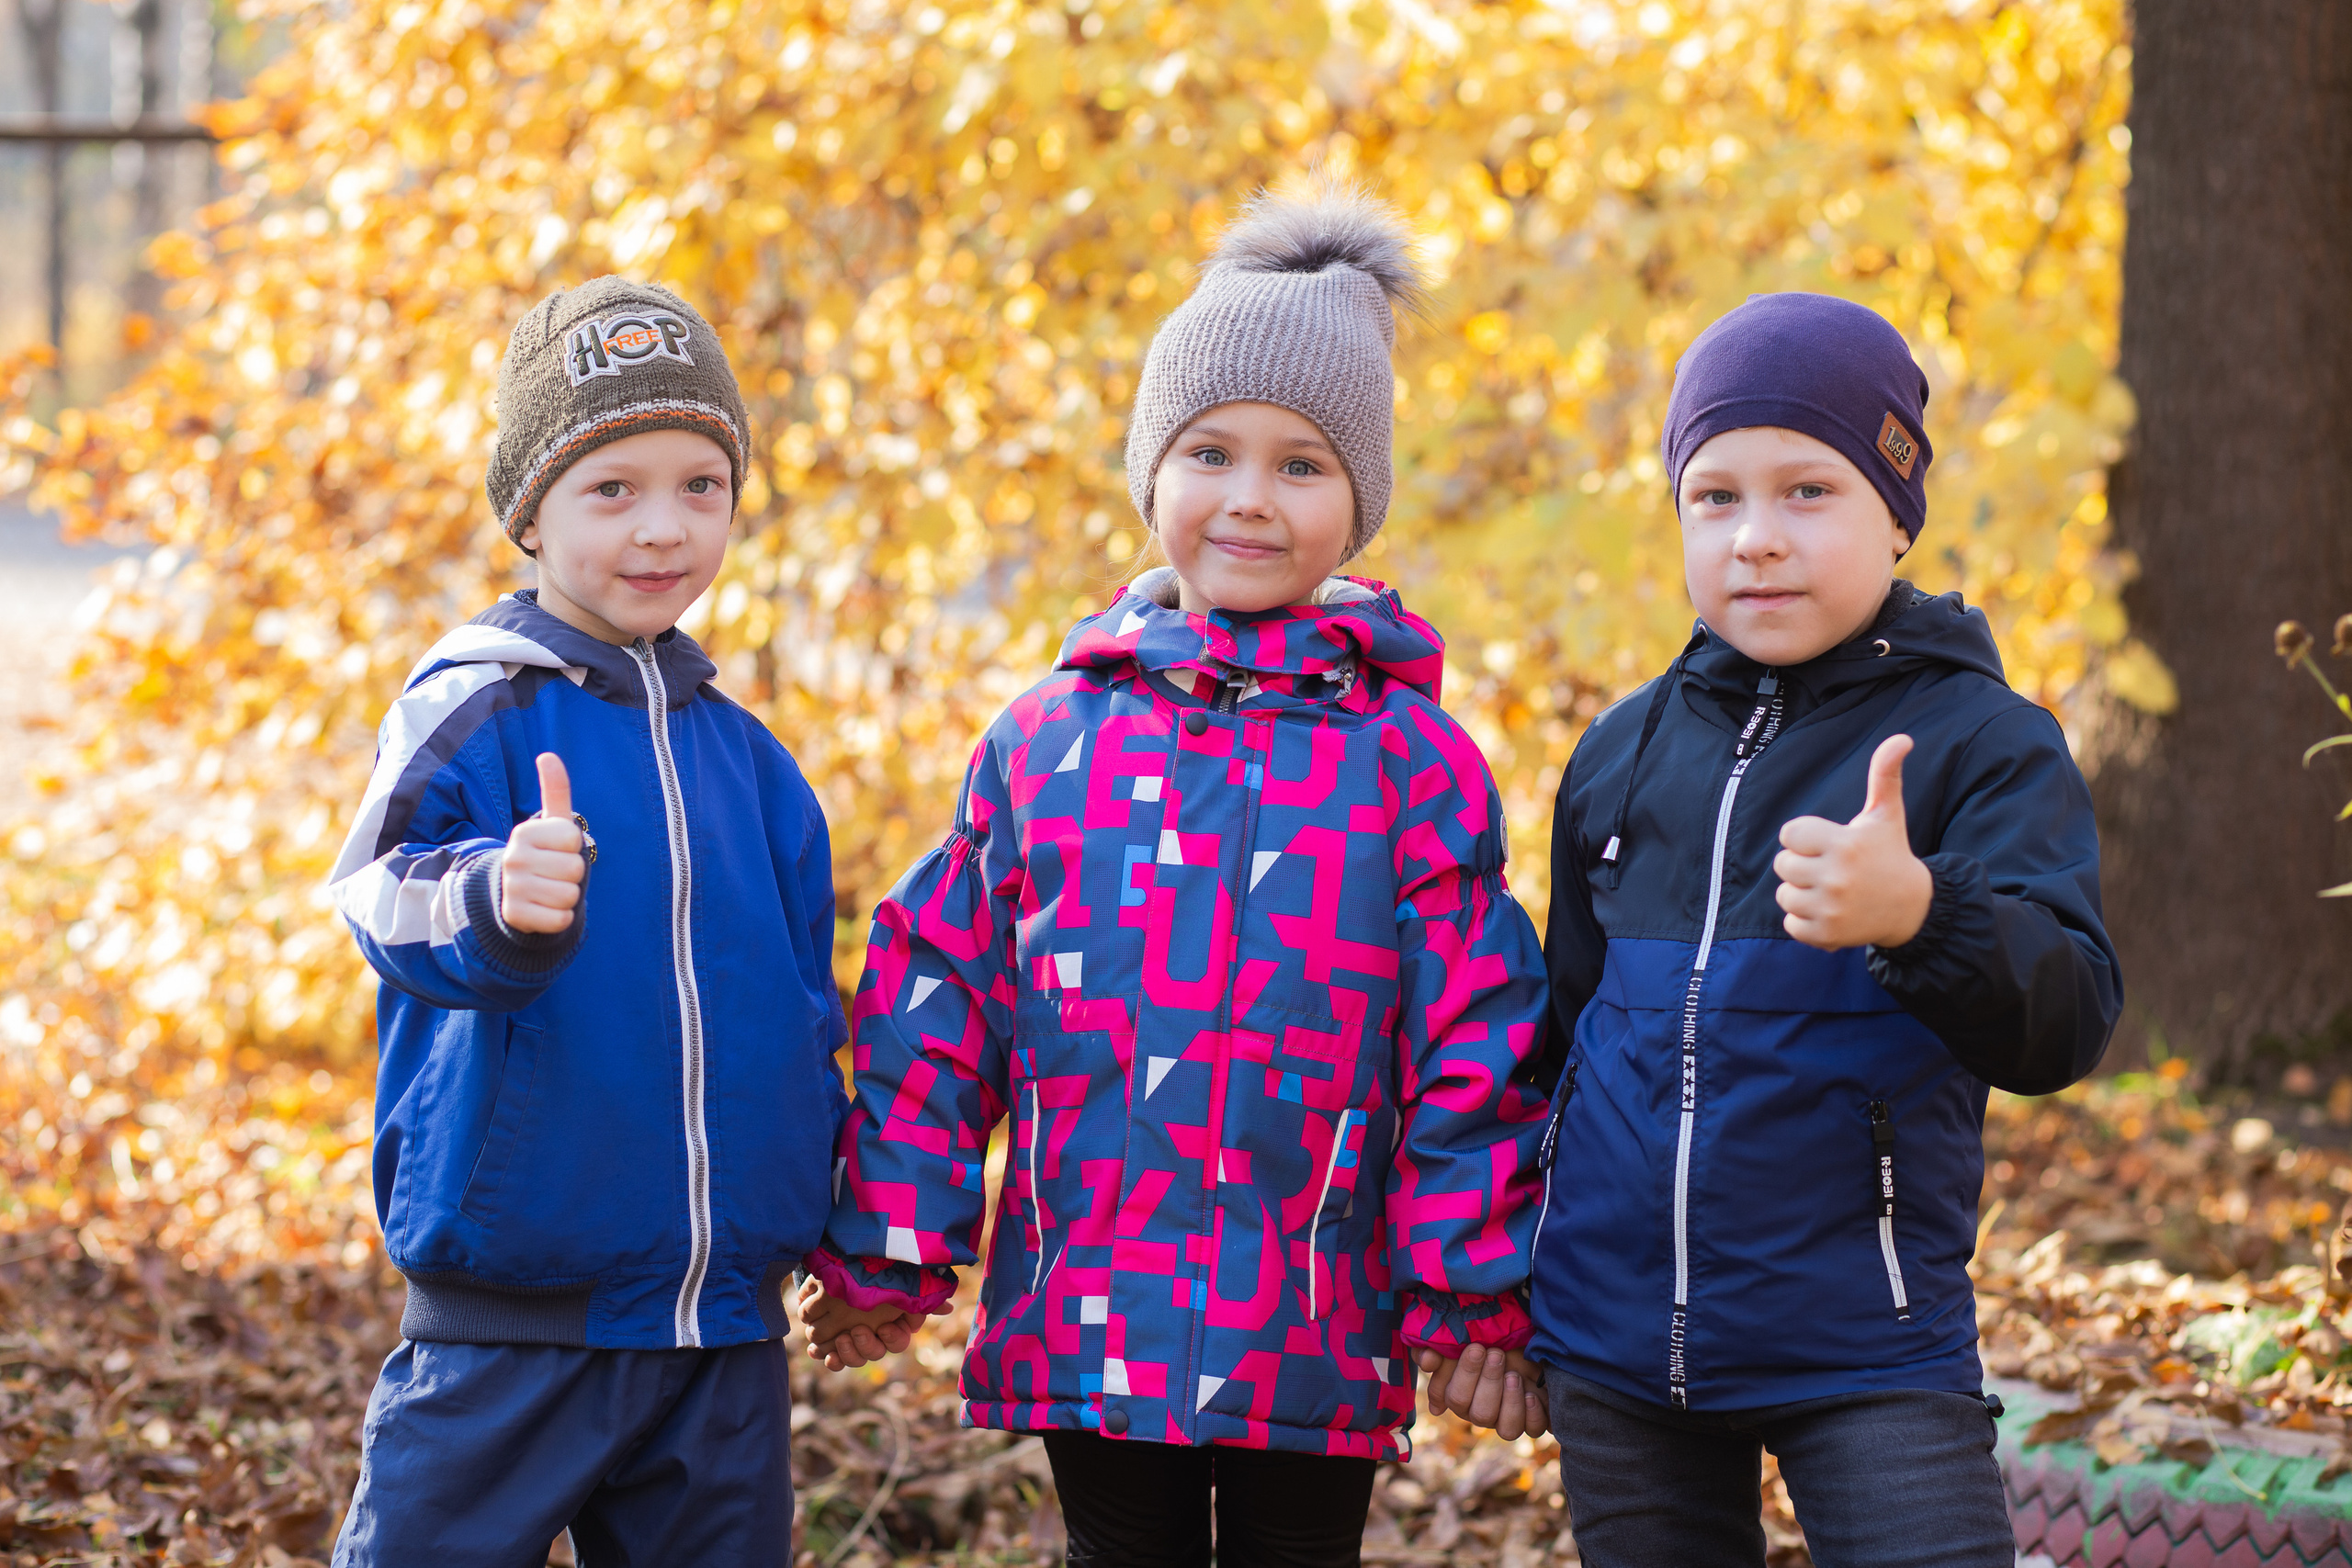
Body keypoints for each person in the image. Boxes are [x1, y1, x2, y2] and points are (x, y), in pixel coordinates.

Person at [797, 182, 1553, 1568]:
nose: (1250, 499)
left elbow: (1478, 1042)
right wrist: (891, 1246)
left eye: (1302, 465)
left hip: (1315, 1303)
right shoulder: (1048, 741)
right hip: (1093, 1295)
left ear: (1358, 502)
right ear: (1154, 472)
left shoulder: (1412, 761)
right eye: (1211, 453)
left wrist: (1473, 1293)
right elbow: (940, 999)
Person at [1498, 291, 2120, 1566]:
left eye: (1808, 492)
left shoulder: (1980, 743)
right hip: (1617, 1351)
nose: (1756, 540)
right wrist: (1499, 1294)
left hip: (1869, 1347)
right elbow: (1555, 1047)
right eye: (1714, 498)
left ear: (1897, 514)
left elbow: (2066, 1015)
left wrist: (1920, 913)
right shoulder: (1619, 754)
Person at [323, 276, 845, 1566]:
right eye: (613, 488)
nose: (663, 528)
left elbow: (801, 1012)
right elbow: (377, 888)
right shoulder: (479, 709)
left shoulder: (754, 763)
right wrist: (497, 896)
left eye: (700, 485)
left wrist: (832, 1214)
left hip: (722, 1329)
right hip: (516, 1309)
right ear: (532, 515)